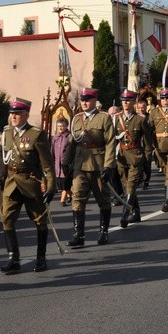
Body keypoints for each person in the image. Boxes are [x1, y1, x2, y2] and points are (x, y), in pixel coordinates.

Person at [0, 99, 56, 273]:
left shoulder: (36, 134)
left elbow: (47, 164)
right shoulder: (7, 132)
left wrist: (51, 185)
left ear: (26, 115)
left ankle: (41, 258)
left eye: (17, 113)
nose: (13, 116)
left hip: (31, 182)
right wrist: (2, 178)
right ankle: (13, 258)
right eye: (11, 113)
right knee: (6, 218)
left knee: (39, 220)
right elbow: (5, 158)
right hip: (11, 181)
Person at [63, 88, 116, 246]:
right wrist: (66, 162)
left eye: (87, 99)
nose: (84, 102)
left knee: (103, 199)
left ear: (94, 100)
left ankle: (103, 232)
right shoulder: (77, 118)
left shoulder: (103, 118)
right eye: (82, 100)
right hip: (80, 165)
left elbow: (110, 143)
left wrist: (108, 166)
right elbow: (72, 142)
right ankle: (79, 235)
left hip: (98, 165)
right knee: (77, 198)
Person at [114, 90, 153, 227]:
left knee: (131, 186)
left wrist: (148, 158)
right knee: (126, 186)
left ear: (133, 102)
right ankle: (136, 213)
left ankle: (126, 213)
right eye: (123, 100)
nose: (125, 102)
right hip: (122, 157)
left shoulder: (140, 120)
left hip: (136, 156)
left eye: (128, 100)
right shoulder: (116, 119)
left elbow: (148, 140)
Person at [50, 118, 72, 206]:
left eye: (62, 126)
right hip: (57, 165)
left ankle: (62, 200)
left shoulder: (70, 136)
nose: (60, 128)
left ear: (66, 126)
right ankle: (71, 195)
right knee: (62, 184)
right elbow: (52, 150)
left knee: (66, 182)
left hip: (67, 165)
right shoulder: (55, 137)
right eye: (58, 126)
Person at [135, 99, 153, 189]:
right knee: (139, 163)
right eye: (139, 108)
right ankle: (140, 180)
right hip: (137, 144)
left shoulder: (150, 118)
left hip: (147, 143)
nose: (141, 109)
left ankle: (146, 180)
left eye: (143, 107)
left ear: (146, 108)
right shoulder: (134, 118)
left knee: (147, 163)